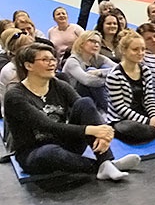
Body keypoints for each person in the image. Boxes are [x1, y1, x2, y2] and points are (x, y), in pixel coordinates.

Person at [4, 43, 138, 181]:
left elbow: (86, 110)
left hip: (64, 143)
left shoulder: (59, 85)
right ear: (29, 66)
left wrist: (103, 132)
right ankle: (103, 166)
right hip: (34, 153)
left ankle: (105, 161)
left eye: (53, 59)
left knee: (85, 102)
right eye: (45, 60)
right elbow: (47, 126)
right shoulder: (15, 95)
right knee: (50, 152)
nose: (52, 64)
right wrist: (92, 130)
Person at [63, 30, 115, 113]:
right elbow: (87, 80)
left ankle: (109, 109)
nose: (96, 45)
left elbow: (121, 69)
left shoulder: (99, 58)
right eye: (92, 41)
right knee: (91, 71)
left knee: (103, 70)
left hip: (92, 96)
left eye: (98, 42)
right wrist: (110, 79)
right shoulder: (72, 61)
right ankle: (110, 110)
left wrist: (101, 72)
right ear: (82, 43)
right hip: (75, 99)